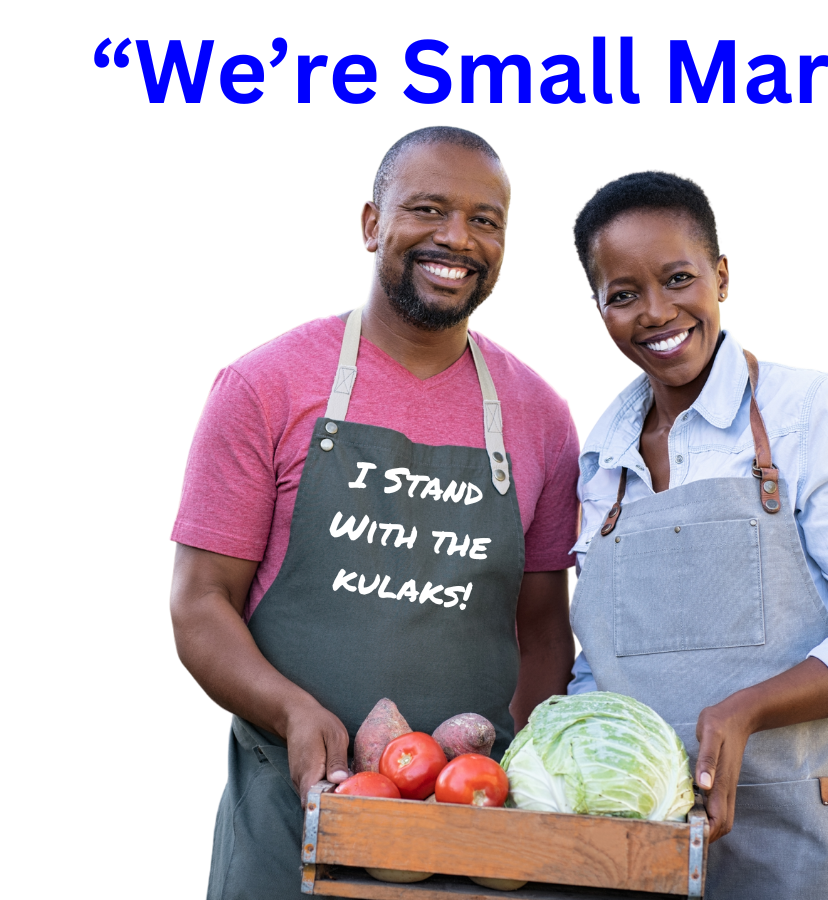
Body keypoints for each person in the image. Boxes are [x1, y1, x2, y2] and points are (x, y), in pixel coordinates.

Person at [168, 127, 580, 900]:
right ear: (371, 225)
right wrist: (291, 712)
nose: (457, 238)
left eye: (485, 220)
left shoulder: (540, 417)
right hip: (290, 825)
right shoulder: (266, 387)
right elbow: (199, 604)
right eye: (428, 209)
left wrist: (509, 782)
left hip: (472, 828)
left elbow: (545, 627)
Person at [567, 171, 828, 899]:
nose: (656, 312)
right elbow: (601, 664)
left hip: (813, 834)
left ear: (721, 276)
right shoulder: (602, 457)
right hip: (650, 853)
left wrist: (746, 710)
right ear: (599, 306)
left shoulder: (809, 413)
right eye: (623, 294)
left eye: (678, 278)